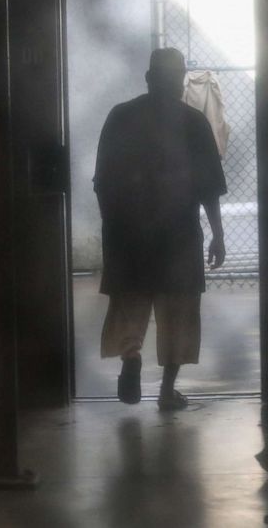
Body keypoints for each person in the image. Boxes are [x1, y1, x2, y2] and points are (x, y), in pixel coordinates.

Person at [94, 47, 227, 410]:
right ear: (181, 80)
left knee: (130, 302)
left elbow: (102, 181)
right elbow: (209, 186)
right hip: (178, 233)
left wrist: (111, 226)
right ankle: (167, 390)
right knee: (179, 312)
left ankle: (131, 356)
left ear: (149, 78)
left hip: (128, 231)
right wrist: (218, 233)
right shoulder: (194, 122)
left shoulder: (121, 117)